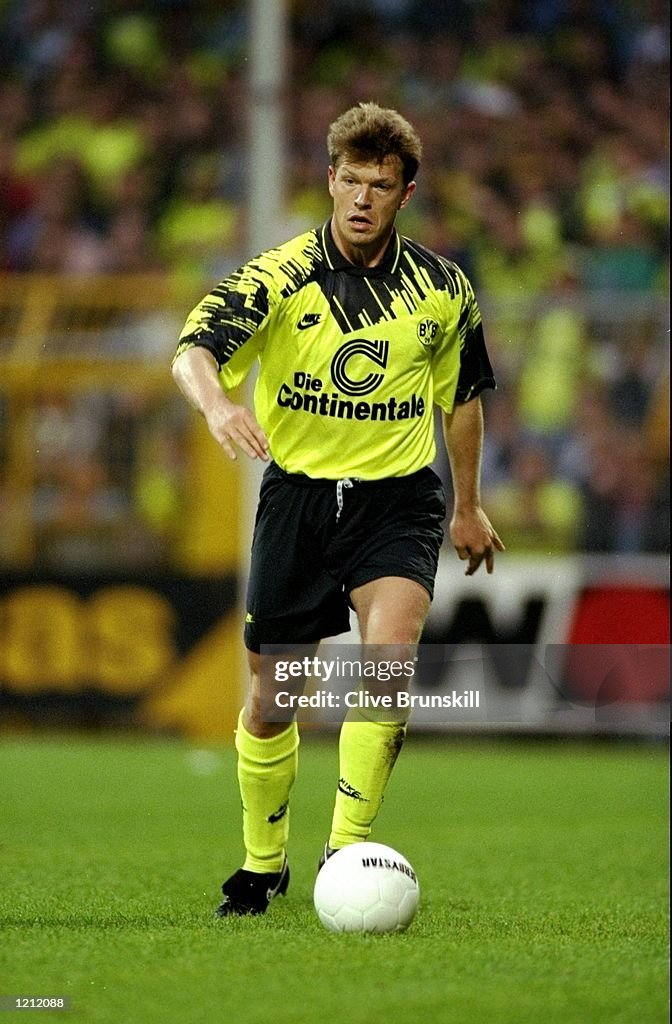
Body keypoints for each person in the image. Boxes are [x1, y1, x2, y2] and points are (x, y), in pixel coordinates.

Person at [171, 102, 504, 917]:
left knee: (390, 659)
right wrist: (216, 406)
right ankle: (263, 862)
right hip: (299, 499)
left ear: (406, 193)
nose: (361, 198)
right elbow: (194, 351)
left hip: (397, 502)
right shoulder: (279, 276)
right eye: (349, 181)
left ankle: (346, 849)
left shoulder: (442, 288)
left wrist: (469, 503)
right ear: (329, 180)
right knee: (275, 696)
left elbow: (461, 399)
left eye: (379, 185)